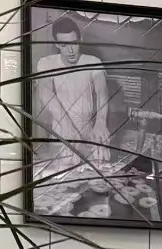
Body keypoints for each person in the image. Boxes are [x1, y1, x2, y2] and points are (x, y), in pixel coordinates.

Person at [32, 13, 111, 190]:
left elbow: (102, 91)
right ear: (56, 44)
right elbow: (45, 92)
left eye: (74, 43)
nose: (70, 50)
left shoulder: (93, 62)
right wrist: (67, 128)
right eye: (64, 45)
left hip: (89, 135)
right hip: (61, 134)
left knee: (94, 184)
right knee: (61, 186)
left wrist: (100, 121)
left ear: (80, 40)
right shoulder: (46, 63)